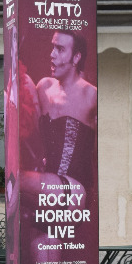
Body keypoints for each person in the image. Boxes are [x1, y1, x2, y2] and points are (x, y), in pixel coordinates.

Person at [36, 29, 97, 178]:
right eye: (53, 47)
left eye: (60, 49)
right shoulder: (44, 88)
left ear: (76, 58)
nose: (52, 54)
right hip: (45, 190)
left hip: (77, 192)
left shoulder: (92, 95)